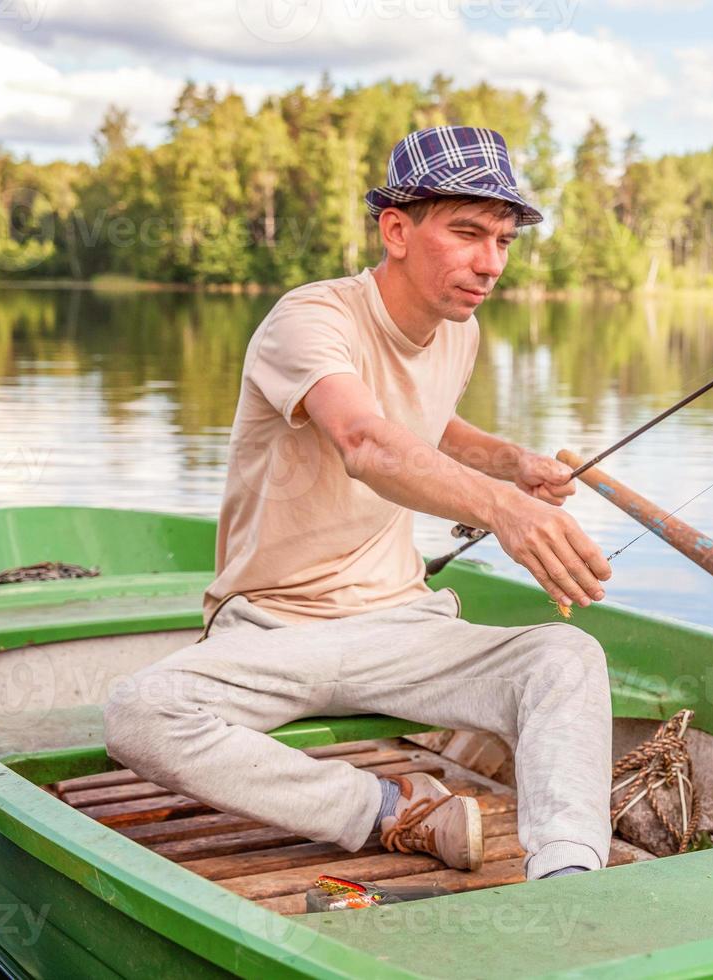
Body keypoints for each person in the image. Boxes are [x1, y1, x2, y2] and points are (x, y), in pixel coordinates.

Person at [103, 126, 614, 881]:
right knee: (140, 713)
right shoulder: (309, 320)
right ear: (396, 229)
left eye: (504, 240)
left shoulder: (457, 329)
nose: (490, 263)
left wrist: (513, 464)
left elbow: (427, 421)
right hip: (276, 625)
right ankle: (386, 808)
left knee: (566, 657)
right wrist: (504, 509)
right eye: (468, 232)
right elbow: (366, 439)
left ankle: (570, 877)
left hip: (403, 624)